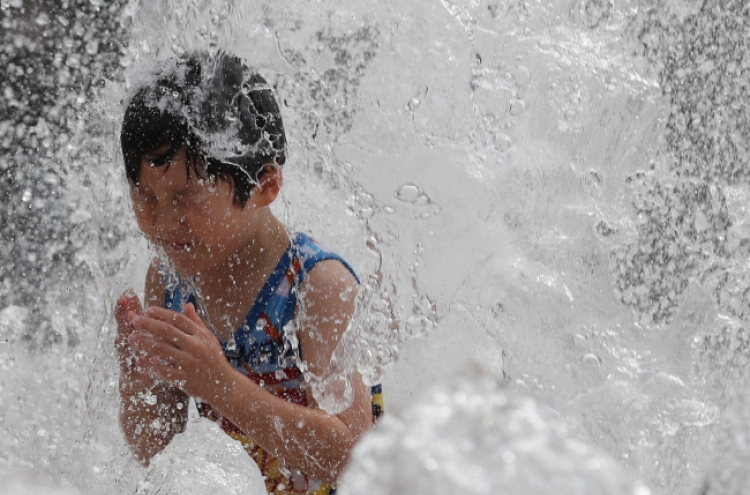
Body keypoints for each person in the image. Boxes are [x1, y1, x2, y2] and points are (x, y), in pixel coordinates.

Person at [114, 51, 382, 495]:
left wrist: (220, 384)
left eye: (186, 199)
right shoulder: (169, 282)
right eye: (146, 199)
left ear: (265, 185)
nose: (162, 224)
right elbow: (158, 452)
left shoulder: (316, 287)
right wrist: (138, 377)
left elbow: (356, 458)